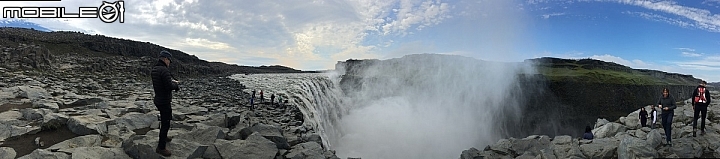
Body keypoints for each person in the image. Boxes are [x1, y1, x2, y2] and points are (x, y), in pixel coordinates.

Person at [151, 50, 180, 156]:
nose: (169, 63)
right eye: (169, 61)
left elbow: (162, 83)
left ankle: (164, 137)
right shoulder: (164, 70)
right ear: (165, 59)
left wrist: (171, 82)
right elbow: (168, 86)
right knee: (166, 122)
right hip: (164, 101)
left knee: (164, 120)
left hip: (158, 99)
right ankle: (161, 147)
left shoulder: (155, 69)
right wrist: (176, 85)